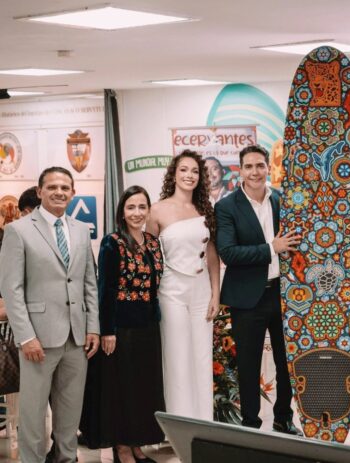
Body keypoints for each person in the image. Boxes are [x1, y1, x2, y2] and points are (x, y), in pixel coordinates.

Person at [0, 166, 100, 463]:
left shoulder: (81, 230)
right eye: (52, 187)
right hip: (37, 339)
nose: (59, 192)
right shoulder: (18, 230)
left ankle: (66, 459)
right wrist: (26, 336)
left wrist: (93, 327)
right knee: (32, 416)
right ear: (40, 191)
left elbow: (89, 282)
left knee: (70, 413)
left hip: (77, 338)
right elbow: (12, 289)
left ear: (73, 193)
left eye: (65, 188)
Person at [215, 144, 301, 435]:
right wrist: (271, 248)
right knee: (249, 364)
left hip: (283, 295)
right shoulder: (226, 207)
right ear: (240, 170)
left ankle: (283, 417)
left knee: (286, 361)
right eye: (249, 166)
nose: (255, 172)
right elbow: (229, 253)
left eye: (260, 165)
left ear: (268, 168)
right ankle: (250, 423)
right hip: (247, 298)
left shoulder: (282, 200)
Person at [80, 186, 165, 463]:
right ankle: (122, 447)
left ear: (148, 210)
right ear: (122, 212)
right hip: (121, 329)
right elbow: (105, 289)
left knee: (142, 388)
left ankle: (137, 443)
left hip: (148, 327)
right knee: (122, 390)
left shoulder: (153, 243)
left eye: (142, 207)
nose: (137, 213)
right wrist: (107, 330)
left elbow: (155, 284)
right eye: (131, 207)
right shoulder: (112, 242)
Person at [146, 150, 220, 421]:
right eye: (184, 170)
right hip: (171, 290)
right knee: (177, 357)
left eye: (195, 171)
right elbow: (148, 256)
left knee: (202, 356)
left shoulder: (205, 208)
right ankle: (179, 425)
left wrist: (215, 294)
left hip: (202, 289)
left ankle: (204, 423)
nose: (190, 175)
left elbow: (212, 253)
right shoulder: (157, 210)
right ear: (174, 174)